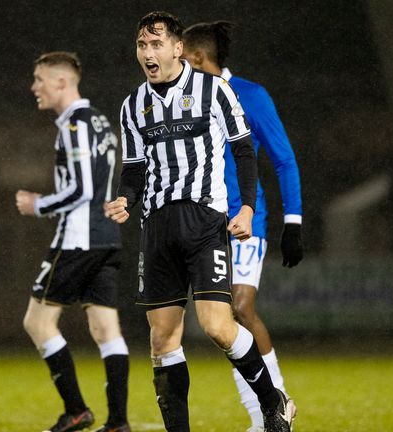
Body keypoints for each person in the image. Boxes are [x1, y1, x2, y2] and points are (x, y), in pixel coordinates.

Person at [104, 12, 293, 432]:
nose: (147, 53)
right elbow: (134, 168)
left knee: (217, 326)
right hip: (156, 227)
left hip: (205, 220)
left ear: (177, 49)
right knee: (162, 338)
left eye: (156, 45)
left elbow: (245, 152)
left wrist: (245, 208)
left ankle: (272, 400)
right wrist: (126, 199)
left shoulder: (215, 90)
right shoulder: (133, 104)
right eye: (141, 45)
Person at [181, 21, 302, 432]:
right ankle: (267, 410)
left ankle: (274, 405)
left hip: (245, 222)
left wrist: (293, 222)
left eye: (182, 57)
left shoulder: (251, 96)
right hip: (201, 223)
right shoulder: (186, 102)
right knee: (217, 323)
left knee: (240, 308)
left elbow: (283, 159)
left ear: (197, 58)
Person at [16, 52, 130, 432]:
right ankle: (117, 423)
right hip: (107, 237)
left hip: (79, 237)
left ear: (62, 82)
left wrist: (38, 205)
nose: (35, 87)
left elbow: (80, 189)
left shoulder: (75, 125)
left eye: (39, 79)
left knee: (37, 322)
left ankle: (77, 410)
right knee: (106, 330)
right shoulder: (101, 120)